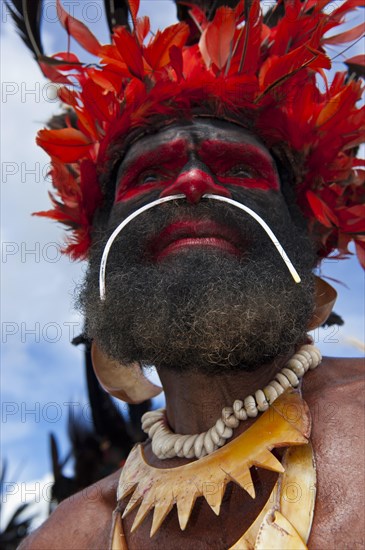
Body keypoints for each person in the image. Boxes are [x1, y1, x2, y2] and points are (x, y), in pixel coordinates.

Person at [15, 0, 364, 548]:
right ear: (100, 245)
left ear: (305, 239)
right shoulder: (66, 537)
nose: (194, 182)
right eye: (149, 173)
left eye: (240, 168)